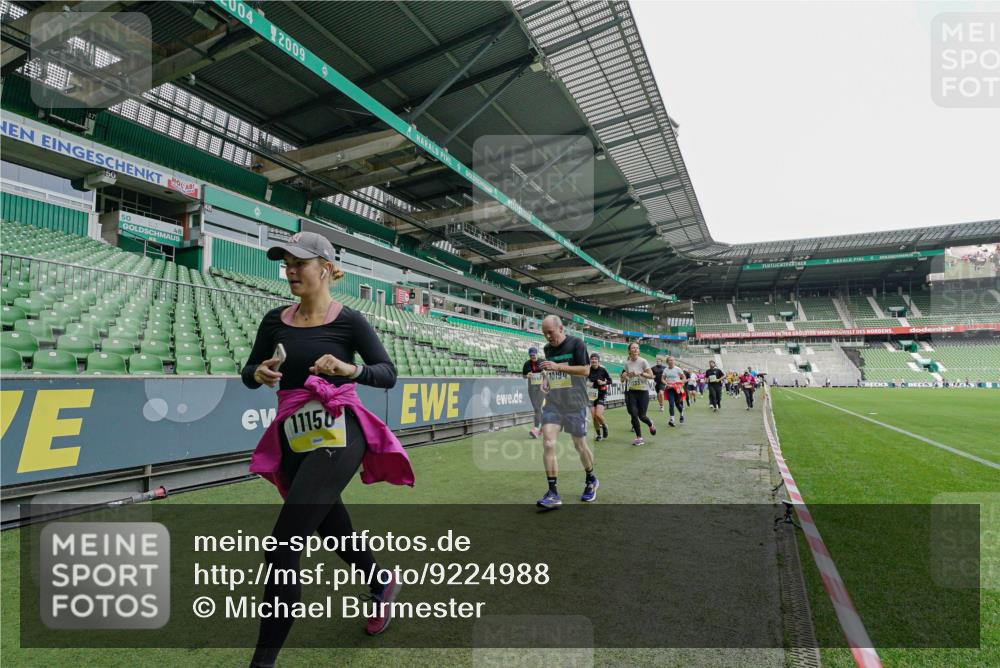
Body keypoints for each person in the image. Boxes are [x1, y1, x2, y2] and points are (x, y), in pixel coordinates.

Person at [241, 232, 415, 668]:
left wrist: (348, 369)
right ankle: (381, 581)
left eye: (299, 262)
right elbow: (248, 370)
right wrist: (258, 373)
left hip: (341, 430)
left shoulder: (350, 321)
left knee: (284, 546)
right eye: (287, 263)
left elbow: (387, 373)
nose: (291, 270)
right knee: (332, 527)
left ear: (325, 267)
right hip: (294, 435)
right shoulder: (273, 320)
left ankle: (261, 664)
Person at [537, 316, 598, 508]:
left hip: (575, 403)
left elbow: (586, 370)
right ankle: (553, 493)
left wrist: (558, 367)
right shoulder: (547, 349)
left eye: (550, 332)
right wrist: (546, 378)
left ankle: (591, 479)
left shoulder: (577, 344)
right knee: (548, 442)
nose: (548, 337)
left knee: (579, 444)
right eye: (544, 333)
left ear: (561, 328)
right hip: (554, 402)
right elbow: (551, 371)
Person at [620, 342, 657, 446]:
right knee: (633, 414)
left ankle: (650, 424)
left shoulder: (643, 361)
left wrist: (640, 373)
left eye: (637, 348)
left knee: (642, 416)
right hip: (631, 391)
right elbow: (624, 379)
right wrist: (623, 376)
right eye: (633, 348)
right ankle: (639, 438)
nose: (635, 349)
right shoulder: (627, 363)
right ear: (629, 351)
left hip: (642, 391)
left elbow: (651, 376)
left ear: (639, 351)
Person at [587, 353, 612, 441]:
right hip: (591, 394)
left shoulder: (602, 370)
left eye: (595, 359)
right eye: (592, 359)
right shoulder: (587, 370)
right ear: (590, 361)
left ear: (598, 361)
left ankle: (604, 426)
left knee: (598, 415)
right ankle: (598, 435)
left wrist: (603, 383)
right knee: (594, 417)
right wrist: (587, 384)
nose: (594, 360)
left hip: (601, 394)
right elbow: (583, 381)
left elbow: (610, 380)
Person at [522, 347, 545, 439]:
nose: (532, 357)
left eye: (534, 355)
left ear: (537, 354)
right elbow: (523, 375)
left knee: (537, 408)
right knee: (537, 409)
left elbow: (550, 372)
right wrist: (526, 375)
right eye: (531, 355)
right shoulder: (527, 364)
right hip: (531, 389)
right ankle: (544, 425)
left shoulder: (542, 362)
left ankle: (535, 429)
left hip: (541, 388)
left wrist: (545, 372)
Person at [660, 355, 686, 426]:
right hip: (669, 389)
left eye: (672, 360)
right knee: (671, 404)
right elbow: (662, 379)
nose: (671, 361)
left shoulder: (678, 369)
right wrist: (666, 383)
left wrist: (680, 383)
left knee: (677, 404)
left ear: (674, 361)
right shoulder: (665, 370)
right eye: (669, 360)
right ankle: (672, 419)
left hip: (677, 389)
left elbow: (684, 378)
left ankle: (681, 414)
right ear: (667, 362)